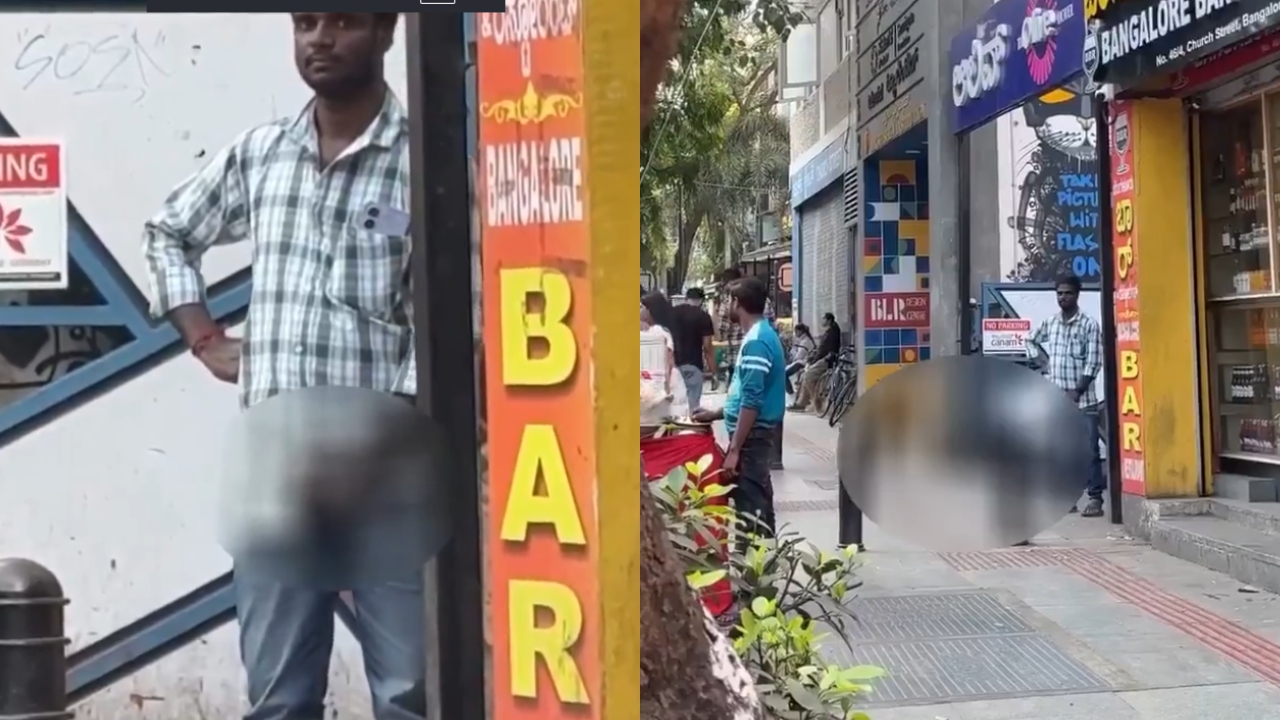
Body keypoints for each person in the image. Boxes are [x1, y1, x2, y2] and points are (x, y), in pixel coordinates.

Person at [141, 13, 426, 720]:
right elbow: (168, 232)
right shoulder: (262, 155)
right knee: (278, 699)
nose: (318, 39)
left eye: (342, 21)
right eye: (305, 22)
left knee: (411, 694)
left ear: (386, 32)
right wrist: (203, 337)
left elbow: (462, 310)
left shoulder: (423, 164)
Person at [693, 277, 785, 536]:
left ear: (737, 302)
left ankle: (755, 559)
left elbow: (753, 400)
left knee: (751, 509)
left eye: (727, 301)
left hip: (752, 437)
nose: (724, 308)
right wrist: (716, 414)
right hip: (752, 434)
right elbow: (746, 395)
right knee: (757, 502)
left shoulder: (757, 341)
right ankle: (762, 555)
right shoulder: (759, 335)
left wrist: (734, 450)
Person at [1030, 273, 1105, 517]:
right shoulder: (1051, 323)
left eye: (1068, 293)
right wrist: (1042, 362)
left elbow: (1094, 362)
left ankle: (1095, 499)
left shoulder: (1089, 325)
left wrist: (1077, 391)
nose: (1063, 297)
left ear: (1077, 295)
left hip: (1084, 401)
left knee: (1090, 452)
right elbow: (1030, 341)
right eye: (1059, 293)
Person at [715, 267, 774, 384]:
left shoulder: (727, 304)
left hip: (737, 359)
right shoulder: (765, 301)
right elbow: (772, 324)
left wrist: (714, 311)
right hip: (765, 359)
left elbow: (720, 335)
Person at [671, 287, 716, 410]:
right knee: (693, 406)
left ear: (686, 299)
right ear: (701, 300)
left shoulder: (672, 313)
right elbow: (707, 346)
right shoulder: (704, 316)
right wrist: (713, 371)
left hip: (674, 365)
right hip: (694, 365)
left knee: (676, 405)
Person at [791, 313, 841, 412]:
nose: (822, 321)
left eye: (824, 319)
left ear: (829, 320)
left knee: (808, 376)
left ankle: (816, 402)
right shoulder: (829, 331)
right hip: (822, 358)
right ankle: (801, 403)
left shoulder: (832, 332)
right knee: (805, 376)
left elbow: (825, 350)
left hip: (827, 360)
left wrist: (814, 360)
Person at [785, 323, 815, 395]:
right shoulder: (801, 340)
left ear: (800, 331)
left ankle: (790, 392)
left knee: (784, 374)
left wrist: (793, 357)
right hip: (800, 361)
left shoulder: (805, 341)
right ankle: (790, 391)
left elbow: (800, 355)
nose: (795, 333)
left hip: (802, 362)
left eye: (796, 331)